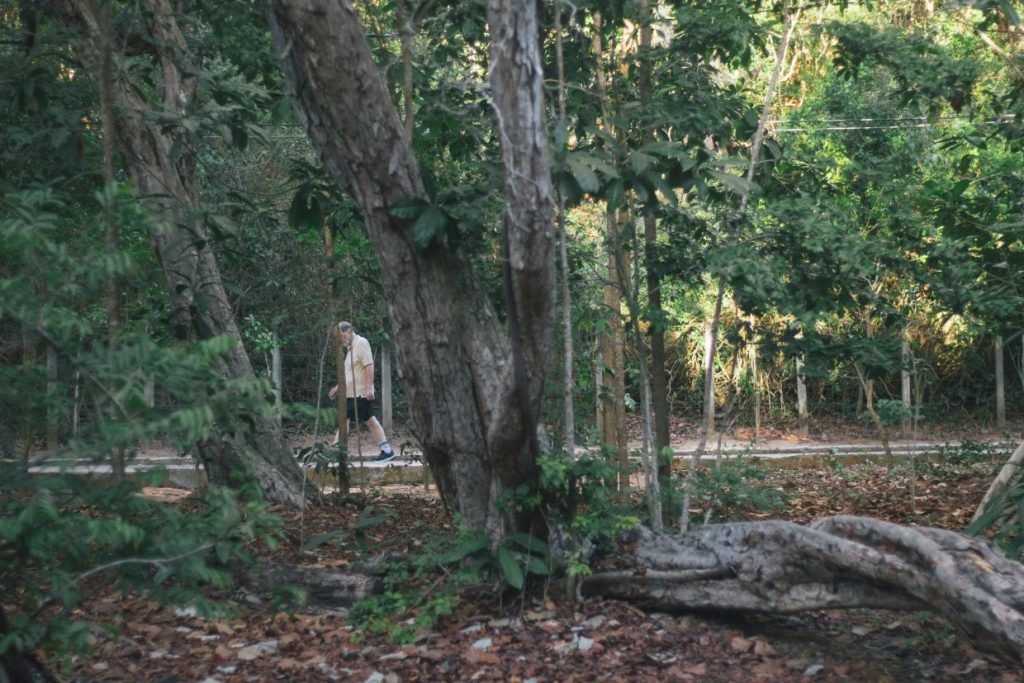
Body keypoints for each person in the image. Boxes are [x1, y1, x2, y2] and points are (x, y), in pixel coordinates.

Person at [328, 321, 396, 463]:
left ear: (349, 331)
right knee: (370, 420)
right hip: (351, 394)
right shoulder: (350, 350)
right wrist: (337, 388)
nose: (341, 340)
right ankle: (387, 450)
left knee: (344, 419)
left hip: (360, 394)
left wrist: (369, 388)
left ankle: (335, 451)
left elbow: (369, 366)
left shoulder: (361, 343)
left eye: (342, 336)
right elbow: (349, 375)